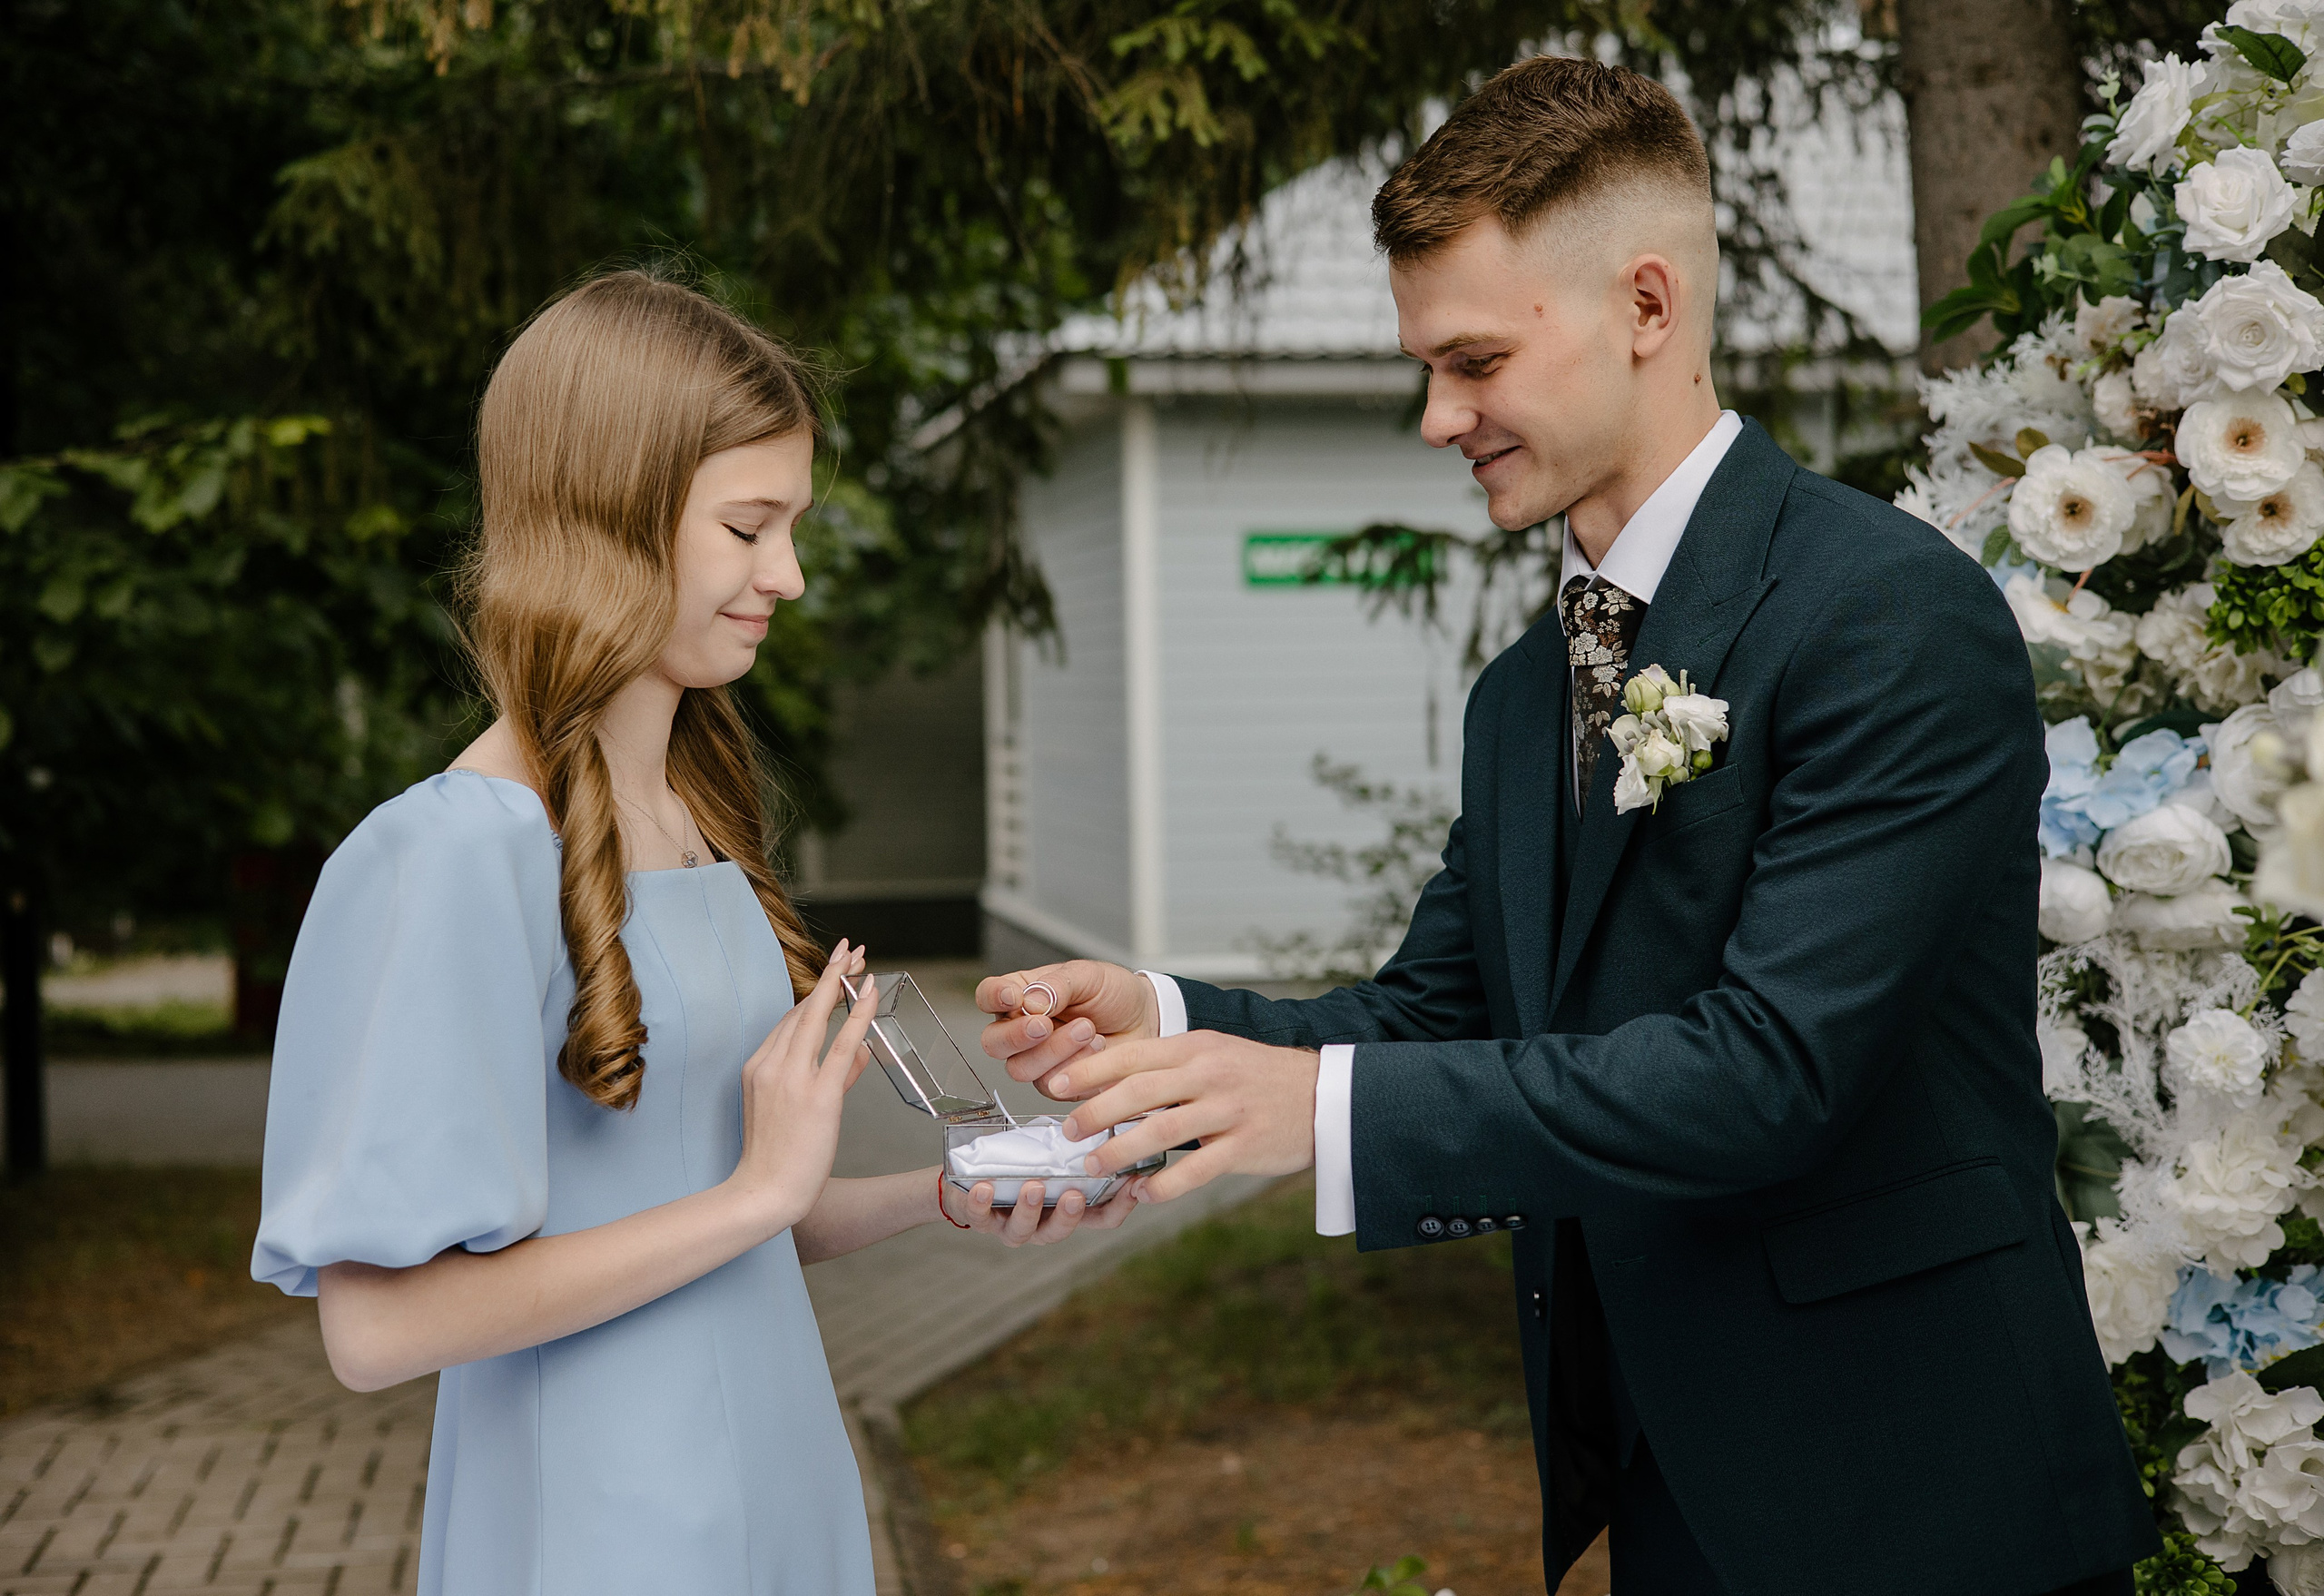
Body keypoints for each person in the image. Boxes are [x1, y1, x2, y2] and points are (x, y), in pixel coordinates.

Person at [976, 55, 2159, 1596]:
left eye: (1473, 361)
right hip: (1667, 1486)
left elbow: (1774, 1069)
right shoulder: (1525, 693)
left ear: (1647, 307)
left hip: (1916, 1489)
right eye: (1425, 367)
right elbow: (1439, 1014)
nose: (1435, 416)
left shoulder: (1886, 612)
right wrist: (1171, 1025)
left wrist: (1319, 1112)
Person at [250, 269, 1138, 1596]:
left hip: (781, 1491)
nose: (788, 575)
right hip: (603, 1533)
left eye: (793, 526)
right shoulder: (448, 857)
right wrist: (755, 1197)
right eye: (746, 527)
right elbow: (378, 1329)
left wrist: (951, 1188)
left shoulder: (697, 817)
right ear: (606, 517)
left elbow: (714, 1203)